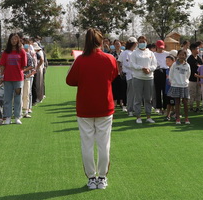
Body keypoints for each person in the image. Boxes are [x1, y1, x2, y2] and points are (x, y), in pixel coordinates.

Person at [66, 28, 118, 190]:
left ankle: (91, 177)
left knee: (87, 144)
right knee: (104, 143)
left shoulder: (80, 60)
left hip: (85, 107)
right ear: (101, 42)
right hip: (105, 106)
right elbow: (113, 75)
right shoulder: (109, 58)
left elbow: (70, 80)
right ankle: (102, 177)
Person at [0, 33, 28, 125]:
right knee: (7, 98)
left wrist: (17, 72)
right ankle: (8, 117)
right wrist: (2, 76)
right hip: (7, 79)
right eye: (12, 39)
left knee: (18, 98)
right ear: (9, 41)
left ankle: (17, 117)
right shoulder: (6, 52)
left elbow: (23, 66)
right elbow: (2, 65)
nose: (14, 41)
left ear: (18, 40)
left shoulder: (22, 51)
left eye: (15, 39)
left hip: (18, 79)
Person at [130, 35, 158, 124]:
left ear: (146, 42)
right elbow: (132, 64)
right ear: (138, 43)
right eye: (140, 42)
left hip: (149, 77)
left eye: (144, 41)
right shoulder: (134, 53)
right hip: (138, 77)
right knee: (138, 98)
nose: (142, 43)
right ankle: (138, 116)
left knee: (148, 98)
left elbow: (155, 64)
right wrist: (142, 68)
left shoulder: (150, 53)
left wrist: (149, 69)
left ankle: (148, 116)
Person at [168, 49, 191, 125]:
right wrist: (173, 82)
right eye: (180, 54)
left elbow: (188, 75)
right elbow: (170, 75)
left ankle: (186, 118)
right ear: (177, 56)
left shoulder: (187, 65)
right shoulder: (174, 64)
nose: (181, 56)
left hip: (184, 86)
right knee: (177, 103)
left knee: (185, 102)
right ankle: (177, 118)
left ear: (185, 56)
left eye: (183, 55)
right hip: (176, 85)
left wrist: (185, 82)